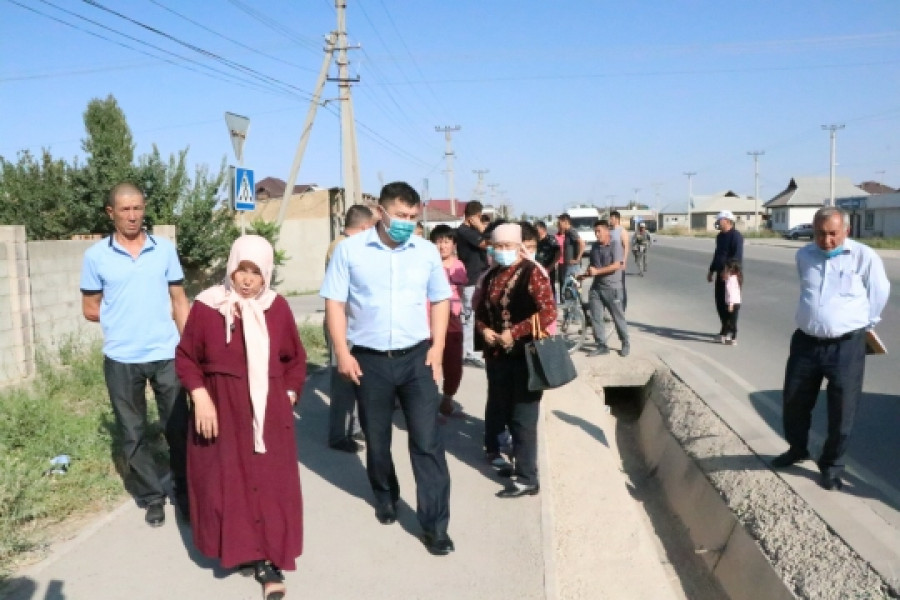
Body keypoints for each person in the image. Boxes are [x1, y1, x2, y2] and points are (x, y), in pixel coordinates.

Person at [320, 181, 455, 556]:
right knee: (377, 441)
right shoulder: (350, 251)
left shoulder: (426, 252)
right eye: (400, 215)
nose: (406, 223)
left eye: (412, 216)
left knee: (427, 442)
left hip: (417, 359)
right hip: (370, 360)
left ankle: (435, 526)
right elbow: (334, 303)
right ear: (380, 212)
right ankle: (385, 495)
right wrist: (342, 352)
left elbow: (440, 299)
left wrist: (438, 348)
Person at [175, 235, 306, 599]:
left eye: (256, 272)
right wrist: (200, 396)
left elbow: (295, 359)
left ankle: (270, 562)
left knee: (270, 486)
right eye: (241, 270)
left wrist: (288, 395)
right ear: (231, 268)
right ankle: (241, 549)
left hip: (268, 413)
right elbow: (186, 357)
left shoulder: (277, 308)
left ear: (267, 274)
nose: (247, 279)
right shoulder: (208, 306)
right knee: (226, 485)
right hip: (221, 409)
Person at [80, 182, 190, 528]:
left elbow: (179, 301)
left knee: (178, 426)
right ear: (110, 213)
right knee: (133, 432)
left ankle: (186, 492)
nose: (132, 216)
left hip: (167, 353)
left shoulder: (164, 250)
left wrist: (189, 346)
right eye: (125, 209)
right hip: (121, 359)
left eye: (137, 208)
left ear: (144, 209)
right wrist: (124, 317)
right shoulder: (96, 256)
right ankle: (152, 496)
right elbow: (90, 308)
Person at [770, 207, 890, 491]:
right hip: (806, 343)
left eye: (833, 233)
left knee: (842, 411)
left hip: (845, 346)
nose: (826, 240)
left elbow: (879, 292)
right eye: (820, 234)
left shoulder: (863, 256)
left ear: (846, 230)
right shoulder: (804, 255)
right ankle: (797, 448)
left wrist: (863, 323)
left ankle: (832, 466)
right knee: (794, 401)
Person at [475, 223, 557, 498]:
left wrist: (516, 332)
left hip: (526, 356)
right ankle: (510, 460)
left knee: (523, 417)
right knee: (504, 411)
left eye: (508, 245)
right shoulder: (491, 275)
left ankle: (527, 478)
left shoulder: (532, 272)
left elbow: (548, 312)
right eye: (497, 246)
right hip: (497, 356)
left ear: (518, 246)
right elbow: (480, 310)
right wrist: (484, 330)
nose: (502, 250)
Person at [325, 204, 374, 453]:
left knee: (356, 377)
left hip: (353, 322)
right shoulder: (342, 247)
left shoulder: (345, 244)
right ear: (365, 227)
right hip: (342, 323)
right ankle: (338, 435)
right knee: (343, 381)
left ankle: (353, 427)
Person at [429, 224, 468, 418]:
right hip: (430, 318)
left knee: (453, 363)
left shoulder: (459, 266)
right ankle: (428, 405)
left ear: (453, 244)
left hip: (452, 320)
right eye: (439, 241)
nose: (443, 246)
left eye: (447, 241)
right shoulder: (428, 264)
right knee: (429, 361)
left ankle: (447, 399)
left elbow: (461, 293)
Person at [580, 221, 629, 357]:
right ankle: (601, 345)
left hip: (612, 288)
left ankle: (625, 342)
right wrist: (583, 276)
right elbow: (592, 266)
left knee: (618, 317)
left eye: (599, 231)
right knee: (596, 317)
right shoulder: (595, 246)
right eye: (595, 232)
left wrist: (597, 272)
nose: (596, 234)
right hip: (596, 288)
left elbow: (616, 265)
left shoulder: (615, 245)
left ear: (607, 231)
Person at [456, 201, 489, 368]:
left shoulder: (473, 231)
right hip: (470, 280)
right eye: (479, 217)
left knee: (476, 316)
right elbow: (487, 243)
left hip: (479, 277)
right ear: (474, 216)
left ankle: (471, 350)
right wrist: (481, 227)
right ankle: (467, 353)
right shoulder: (464, 231)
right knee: (469, 317)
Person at [707, 210, 744, 338]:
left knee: (731, 303)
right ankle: (724, 327)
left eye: (719, 220)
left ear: (727, 221)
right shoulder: (720, 237)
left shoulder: (736, 236)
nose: (717, 222)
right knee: (720, 303)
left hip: (732, 276)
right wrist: (711, 270)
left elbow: (737, 257)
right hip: (720, 274)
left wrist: (728, 271)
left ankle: (732, 332)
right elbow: (717, 254)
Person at [608, 211, 630, 310]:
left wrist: (624, 261)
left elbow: (626, 246)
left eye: (611, 218)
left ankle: (622, 307)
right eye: (610, 218)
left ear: (617, 219)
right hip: (610, 262)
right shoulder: (609, 230)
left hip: (619, 262)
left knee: (620, 285)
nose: (610, 220)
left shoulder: (622, 231)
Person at [534, 220, 562, 300]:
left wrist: (551, 267)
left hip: (548, 269)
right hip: (537, 269)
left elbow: (558, 253)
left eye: (536, 229)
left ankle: (552, 303)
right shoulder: (535, 240)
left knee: (550, 288)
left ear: (543, 229)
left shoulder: (551, 239)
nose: (535, 231)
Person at [557, 213, 585, 284]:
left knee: (572, 288)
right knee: (568, 288)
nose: (559, 225)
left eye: (560, 223)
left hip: (573, 267)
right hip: (568, 266)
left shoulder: (571, 231)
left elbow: (582, 244)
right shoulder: (567, 232)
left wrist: (577, 259)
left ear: (566, 222)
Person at [721, 260, 742, 345]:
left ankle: (732, 337)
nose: (724, 270)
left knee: (730, 321)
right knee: (731, 320)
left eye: (725, 269)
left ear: (730, 270)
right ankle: (728, 336)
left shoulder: (731, 280)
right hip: (736, 302)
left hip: (732, 303)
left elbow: (731, 293)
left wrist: (730, 304)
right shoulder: (736, 277)